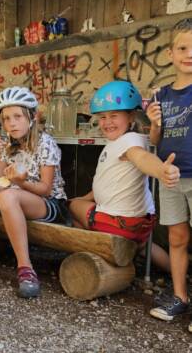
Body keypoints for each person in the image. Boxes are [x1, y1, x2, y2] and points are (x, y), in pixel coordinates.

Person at [0, 86, 70, 298]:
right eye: (6, 119)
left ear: (31, 117)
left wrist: (20, 183)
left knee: (8, 194)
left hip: (49, 203)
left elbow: (46, 189)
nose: (11, 123)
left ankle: (25, 268)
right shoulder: (7, 144)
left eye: (17, 117)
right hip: (14, 197)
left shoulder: (45, 143)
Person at [69, 81, 179, 270]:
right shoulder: (131, 139)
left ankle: (100, 255)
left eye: (114, 116)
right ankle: (176, 270)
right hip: (141, 225)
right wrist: (87, 197)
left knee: (72, 206)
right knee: (143, 245)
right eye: (102, 117)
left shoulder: (128, 142)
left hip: (119, 224)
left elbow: (141, 158)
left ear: (131, 117)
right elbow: (107, 182)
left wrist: (161, 170)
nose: (107, 122)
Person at [147, 18, 192, 331]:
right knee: (177, 238)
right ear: (170, 53)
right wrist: (154, 121)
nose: (189, 53)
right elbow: (154, 140)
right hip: (172, 177)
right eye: (183, 47)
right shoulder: (162, 94)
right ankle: (179, 296)